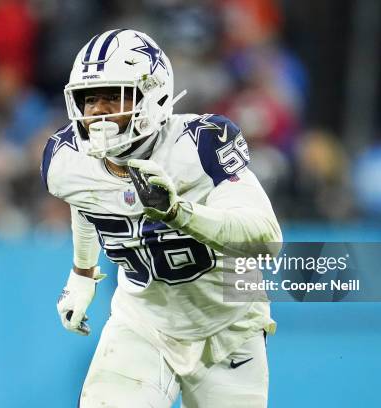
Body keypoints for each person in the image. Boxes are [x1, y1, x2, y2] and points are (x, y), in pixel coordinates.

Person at [41, 29, 282, 407]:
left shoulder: (199, 145)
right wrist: (82, 271)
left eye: (113, 96)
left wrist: (177, 213)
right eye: (90, 99)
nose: (99, 111)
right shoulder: (66, 160)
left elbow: (267, 240)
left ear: (153, 96)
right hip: (142, 323)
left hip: (230, 325)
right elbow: (86, 198)